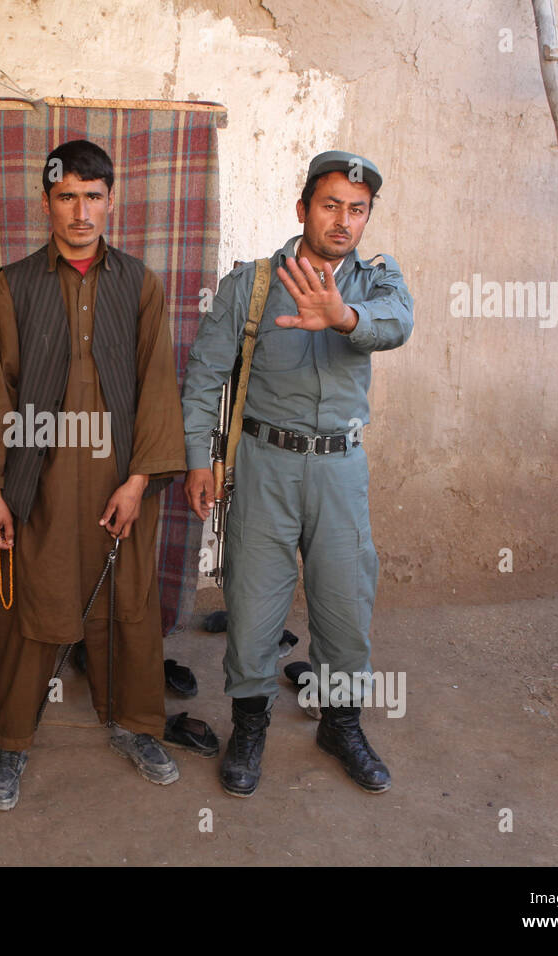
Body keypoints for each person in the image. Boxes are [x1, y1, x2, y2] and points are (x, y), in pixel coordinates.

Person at [181, 150, 414, 797]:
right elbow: (203, 376)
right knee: (253, 604)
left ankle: (340, 725)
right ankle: (249, 725)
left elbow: (399, 324)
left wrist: (343, 318)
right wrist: (199, 460)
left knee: (344, 604)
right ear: (303, 209)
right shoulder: (253, 285)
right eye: (330, 204)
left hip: (341, 469)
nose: (343, 220)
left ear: (367, 217)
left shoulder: (376, 282)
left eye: (357, 209)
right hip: (263, 464)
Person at [0, 139, 187, 810]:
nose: (80, 211)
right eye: (67, 196)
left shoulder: (138, 283)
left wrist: (139, 481)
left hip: (121, 475)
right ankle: (9, 741)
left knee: (128, 600)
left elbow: (157, 384)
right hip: (40, 475)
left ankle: (137, 725)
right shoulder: (14, 284)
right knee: (34, 601)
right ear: (46, 202)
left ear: (111, 201)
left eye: (93, 197)